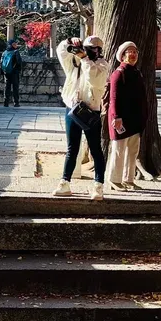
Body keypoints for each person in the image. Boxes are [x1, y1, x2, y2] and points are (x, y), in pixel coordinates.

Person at [54, 34, 109, 200]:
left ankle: (98, 185)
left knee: (95, 149)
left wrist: (85, 59)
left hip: (91, 111)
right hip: (73, 109)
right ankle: (65, 182)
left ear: (99, 50)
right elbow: (61, 51)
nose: (90, 51)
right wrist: (70, 41)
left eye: (94, 48)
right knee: (72, 148)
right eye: (87, 48)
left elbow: (95, 80)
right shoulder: (75, 63)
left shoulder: (102, 65)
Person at [106, 40, 148, 190]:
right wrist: (116, 117)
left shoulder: (137, 73)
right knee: (119, 150)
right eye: (130, 52)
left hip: (135, 120)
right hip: (121, 120)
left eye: (135, 52)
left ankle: (128, 179)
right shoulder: (118, 74)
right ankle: (114, 179)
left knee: (133, 151)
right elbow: (114, 98)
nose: (133, 55)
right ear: (123, 55)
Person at [1, 40, 22, 107]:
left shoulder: (4, 52)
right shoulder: (16, 52)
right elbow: (19, 62)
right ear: (12, 44)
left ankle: (6, 102)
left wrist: (3, 72)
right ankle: (16, 103)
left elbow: (1, 62)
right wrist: (18, 70)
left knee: (7, 87)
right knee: (15, 87)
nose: (16, 45)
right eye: (14, 43)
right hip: (14, 72)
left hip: (6, 72)